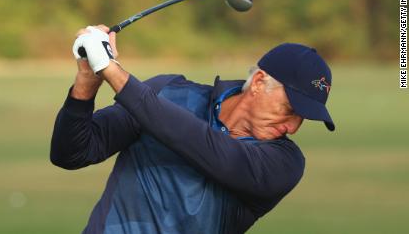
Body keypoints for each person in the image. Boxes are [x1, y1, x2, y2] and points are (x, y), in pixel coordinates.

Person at [50, 25, 335, 234]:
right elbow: (72, 154)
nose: (293, 127)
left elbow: (205, 146)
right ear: (259, 82)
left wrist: (113, 72)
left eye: (303, 119)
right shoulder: (168, 92)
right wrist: (88, 80)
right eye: (290, 110)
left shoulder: (284, 163)